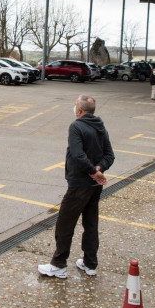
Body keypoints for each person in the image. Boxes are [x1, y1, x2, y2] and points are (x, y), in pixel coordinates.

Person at [38, 95, 114, 279]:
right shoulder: (100, 125)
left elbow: (78, 154)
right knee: (91, 223)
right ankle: (90, 263)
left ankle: (58, 264)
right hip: (94, 185)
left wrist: (93, 171)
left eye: (75, 106)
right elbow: (109, 156)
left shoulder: (76, 126)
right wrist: (98, 169)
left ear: (79, 110)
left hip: (80, 184)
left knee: (65, 223)